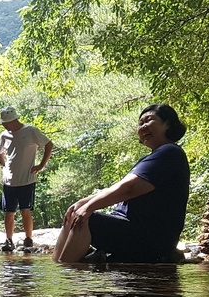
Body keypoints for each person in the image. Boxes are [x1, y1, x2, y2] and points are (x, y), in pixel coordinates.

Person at [52, 103, 190, 264]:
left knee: (84, 218)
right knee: (74, 213)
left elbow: (129, 188)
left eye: (149, 120)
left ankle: (66, 277)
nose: (143, 126)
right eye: (140, 123)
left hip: (150, 238)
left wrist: (89, 208)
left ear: (167, 124)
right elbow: (118, 187)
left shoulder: (170, 152)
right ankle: (59, 268)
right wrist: (82, 203)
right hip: (134, 230)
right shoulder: (155, 156)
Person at [0, 106, 53, 251]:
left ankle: (28, 239)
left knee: (25, 210)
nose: (3, 124)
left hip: (27, 179)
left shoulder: (30, 131)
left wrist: (40, 165)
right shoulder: (4, 135)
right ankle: (9, 240)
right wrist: (3, 166)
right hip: (9, 180)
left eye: (5, 122)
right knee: (9, 212)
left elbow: (48, 144)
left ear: (12, 120)